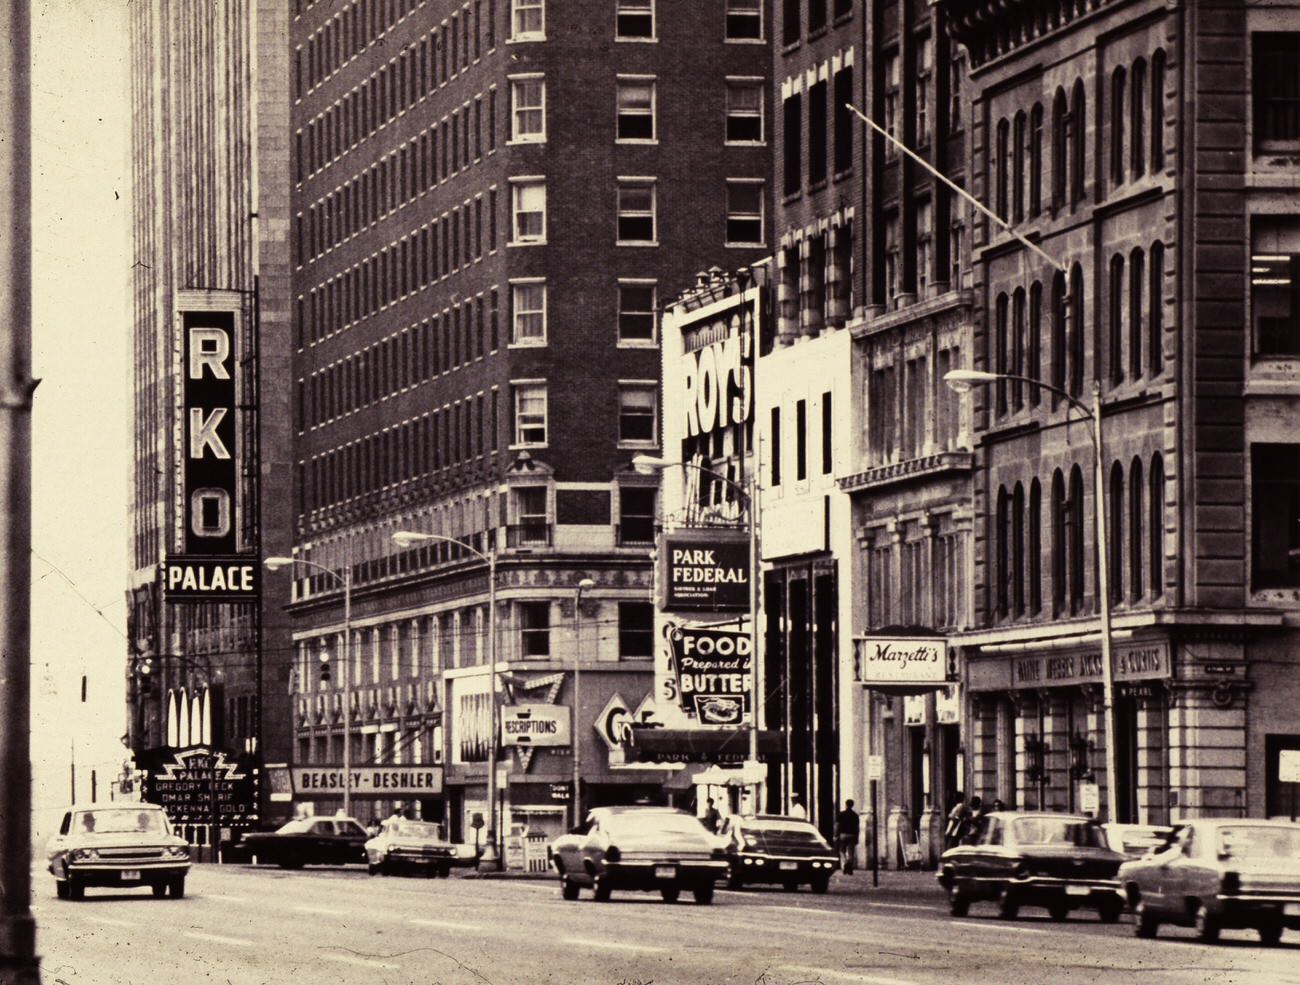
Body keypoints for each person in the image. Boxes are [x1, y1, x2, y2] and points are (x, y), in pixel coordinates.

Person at [835, 800, 860, 874]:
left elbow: (837, 825)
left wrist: (836, 834)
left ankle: (845, 862)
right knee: (851, 852)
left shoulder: (841, 814)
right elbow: (857, 827)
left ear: (846, 805)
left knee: (842, 851)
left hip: (843, 834)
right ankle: (850, 867)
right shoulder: (855, 815)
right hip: (852, 835)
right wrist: (857, 836)